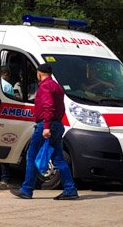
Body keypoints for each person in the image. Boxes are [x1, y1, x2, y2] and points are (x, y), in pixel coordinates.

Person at [12, 62, 78, 200]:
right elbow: (61, 108)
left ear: (39, 73)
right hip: (57, 124)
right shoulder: (57, 86)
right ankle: (70, 189)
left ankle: (27, 189)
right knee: (58, 158)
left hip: (46, 125)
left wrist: (47, 126)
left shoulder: (44, 87)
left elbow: (48, 106)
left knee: (32, 155)